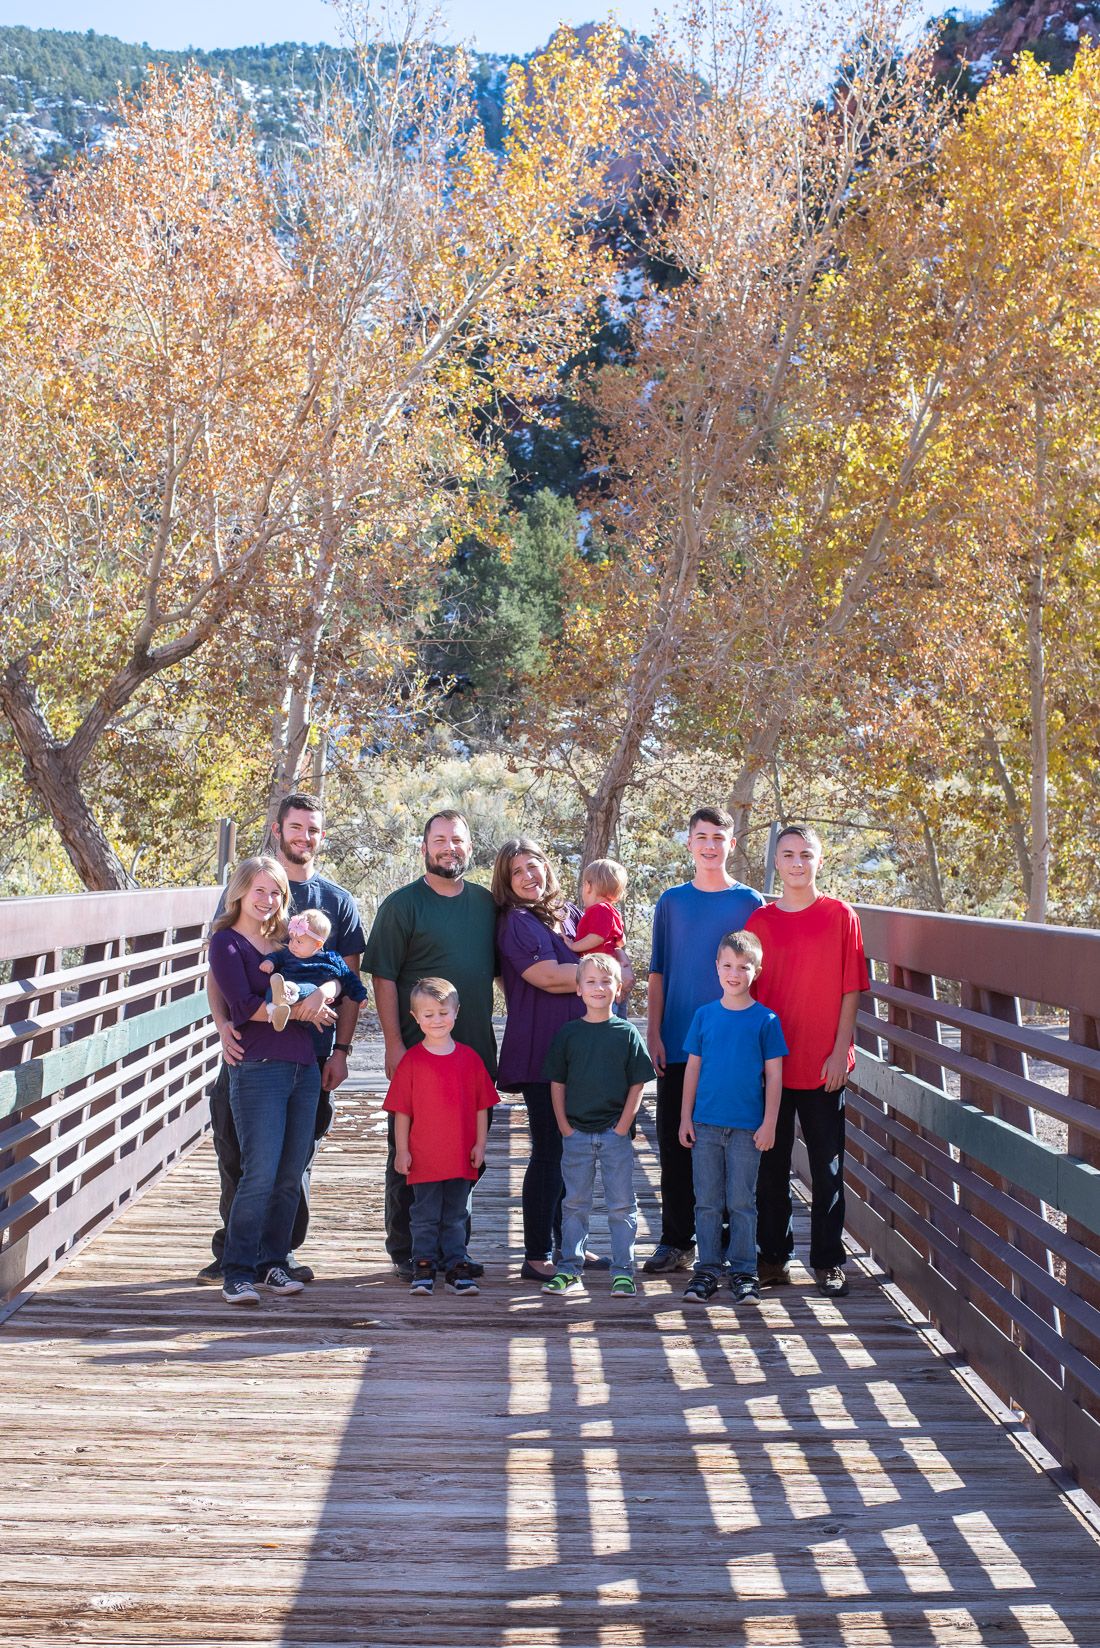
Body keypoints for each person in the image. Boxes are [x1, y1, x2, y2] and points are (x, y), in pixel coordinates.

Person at [198, 792, 367, 1286]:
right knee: (244, 1155)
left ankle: (278, 1257)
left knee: (293, 1163)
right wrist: (221, 1024)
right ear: (278, 829)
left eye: (313, 830)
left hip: (309, 1057)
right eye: (296, 827)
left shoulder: (333, 903)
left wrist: (341, 1048)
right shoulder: (241, 921)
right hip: (253, 1052)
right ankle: (236, 1256)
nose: (304, 837)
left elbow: (348, 978)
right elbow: (221, 978)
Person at [364, 810, 498, 1281]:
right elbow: (382, 976)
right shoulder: (402, 905)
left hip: (473, 1055)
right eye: (439, 840)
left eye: (457, 840)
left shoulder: (485, 904)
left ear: (469, 847)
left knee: (467, 1155)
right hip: (419, 1059)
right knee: (410, 1155)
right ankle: (408, 1250)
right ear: (424, 847)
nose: (449, 848)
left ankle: (452, 1249)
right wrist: (393, 1044)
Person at [207, 857, 340, 1305]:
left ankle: (274, 1263)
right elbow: (242, 1005)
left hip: (303, 1065)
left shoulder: (288, 940)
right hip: (258, 1066)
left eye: (276, 893)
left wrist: (325, 992)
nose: (267, 901)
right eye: (259, 891)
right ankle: (238, 1271)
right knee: (259, 1172)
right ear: (240, 891)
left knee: (289, 1174)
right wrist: (301, 1009)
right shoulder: (226, 942)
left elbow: (335, 970)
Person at [746, 824, 870, 1298]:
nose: (797, 863)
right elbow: (748, 996)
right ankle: (773, 1259)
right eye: (789, 854)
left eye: (806, 854)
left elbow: (851, 988)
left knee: (827, 1167)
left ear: (820, 860)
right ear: (777, 862)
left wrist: (841, 1050)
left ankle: (828, 1261)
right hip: (773, 1067)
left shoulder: (840, 915)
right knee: (770, 1168)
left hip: (824, 1065)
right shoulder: (759, 923)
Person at [644, 806, 764, 1274]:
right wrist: (652, 1031)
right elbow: (658, 972)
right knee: (676, 1143)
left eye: (719, 837)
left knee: (734, 1146)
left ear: (731, 844)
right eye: (701, 837)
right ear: (689, 843)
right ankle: (676, 1239)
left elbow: (762, 974)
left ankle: (733, 1246)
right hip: (677, 1040)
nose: (710, 845)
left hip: (733, 1047)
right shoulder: (671, 903)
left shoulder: (750, 903)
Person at [679, 931, 786, 1306]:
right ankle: (706, 1269)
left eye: (743, 967)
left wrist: (769, 1122)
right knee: (707, 1201)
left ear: (756, 971)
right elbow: (692, 1069)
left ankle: (744, 1272)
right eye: (727, 965)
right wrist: (684, 1118)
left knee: (742, 1202)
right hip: (706, 1124)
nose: (734, 973)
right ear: (716, 968)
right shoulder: (704, 1016)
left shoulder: (766, 1020)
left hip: (747, 1128)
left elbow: (774, 1075)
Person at [541, 953, 655, 1296]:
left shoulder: (626, 1033)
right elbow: (557, 1082)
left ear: (618, 988)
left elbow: (639, 1082)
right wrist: (564, 1126)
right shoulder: (569, 1034)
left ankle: (623, 1271)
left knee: (621, 1205)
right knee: (575, 1203)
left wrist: (623, 1126)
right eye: (590, 981)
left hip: (614, 1135)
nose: (598, 987)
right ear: (578, 989)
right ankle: (570, 1269)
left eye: (606, 981)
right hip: (576, 1133)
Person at [383, 977, 498, 1297]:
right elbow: (401, 1113)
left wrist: (480, 1145)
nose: (437, 1020)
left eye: (443, 1012)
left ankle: (457, 1268)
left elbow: (481, 1107)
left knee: (456, 1215)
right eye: (429, 1014)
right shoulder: (411, 1062)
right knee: (424, 1214)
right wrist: (401, 1151)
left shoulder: (470, 1059)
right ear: (415, 1017)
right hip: (424, 1157)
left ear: (456, 1012)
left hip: (460, 1154)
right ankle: (423, 1267)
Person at [260, 911, 367, 1038]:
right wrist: (269, 961)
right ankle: (275, 1010)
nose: (292, 944)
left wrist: (360, 996)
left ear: (317, 944)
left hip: (311, 998)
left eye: (299, 942)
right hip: (289, 997)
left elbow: (349, 978)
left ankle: (288, 993)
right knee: (272, 989)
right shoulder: (287, 954)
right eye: (291, 939)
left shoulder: (331, 959)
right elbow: (276, 956)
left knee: (311, 988)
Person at [564, 859, 629, 957]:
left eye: (583, 885)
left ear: (588, 886)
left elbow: (597, 937)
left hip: (597, 965)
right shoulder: (614, 913)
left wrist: (573, 946)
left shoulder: (600, 910)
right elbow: (621, 941)